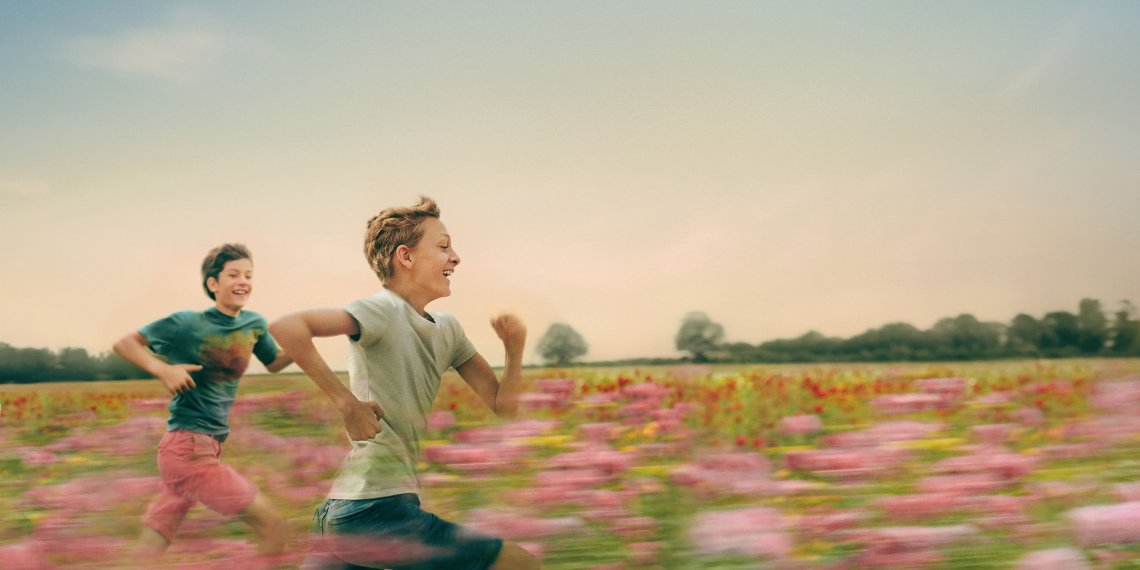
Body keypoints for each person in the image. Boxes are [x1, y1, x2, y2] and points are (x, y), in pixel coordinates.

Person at [270, 197, 539, 569]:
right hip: (376, 512)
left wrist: (514, 349)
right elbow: (287, 327)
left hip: (346, 510)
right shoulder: (382, 309)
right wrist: (347, 404)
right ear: (406, 257)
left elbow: (503, 407)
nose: (456, 257)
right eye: (443, 247)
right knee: (520, 564)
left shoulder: (449, 330)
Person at [113, 243, 293, 557]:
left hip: (202, 447)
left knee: (155, 537)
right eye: (233, 274)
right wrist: (162, 369)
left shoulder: (254, 324)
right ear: (213, 284)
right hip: (187, 450)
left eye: (248, 275)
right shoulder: (186, 323)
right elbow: (125, 343)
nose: (243, 281)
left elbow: (274, 361)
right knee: (273, 525)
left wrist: (307, 339)